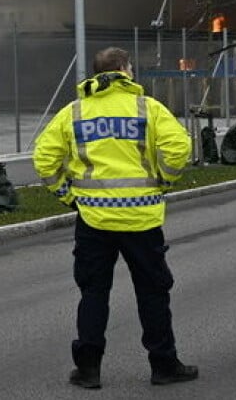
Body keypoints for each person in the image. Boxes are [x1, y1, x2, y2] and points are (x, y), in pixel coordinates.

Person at [33, 47, 197, 389]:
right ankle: (163, 365)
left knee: (94, 294)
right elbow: (179, 147)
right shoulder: (147, 108)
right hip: (142, 219)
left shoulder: (74, 112)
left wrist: (68, 196)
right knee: (153, 294)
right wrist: (164, 180)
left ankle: (89, 370)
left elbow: (44, 158)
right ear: (124, 69)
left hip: (93, 220)